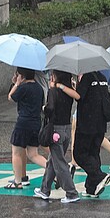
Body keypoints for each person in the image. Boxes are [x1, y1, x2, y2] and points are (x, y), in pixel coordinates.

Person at [34, 70, 80, 203]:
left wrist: (44, 108)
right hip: (66, 128)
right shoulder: (68, 91)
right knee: (52, 161)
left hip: (55, 130)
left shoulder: (53, 92)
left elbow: (50, 109)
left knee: (59, 162)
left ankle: (71, 193)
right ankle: (44, 189)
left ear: (56, 76)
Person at [5, 67, 47, 189]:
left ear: (21, 76)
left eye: (17, 74)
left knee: (16, 153)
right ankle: (53, 169)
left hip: (23, 123)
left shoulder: (23, 88)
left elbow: (10, 97)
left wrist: (16, 84)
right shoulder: (38, 88)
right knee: (33, 154)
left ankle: (17, 181)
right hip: (36, 122)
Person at [74, 71, 110, 197]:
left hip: (87, 123)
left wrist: (75, 85)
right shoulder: (102, 77)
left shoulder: (87, 77)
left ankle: (99, 176)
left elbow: (79, 96)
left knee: (79, 154)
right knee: (93, 153)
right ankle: (91, 188)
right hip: (101, 123)